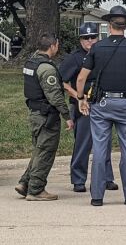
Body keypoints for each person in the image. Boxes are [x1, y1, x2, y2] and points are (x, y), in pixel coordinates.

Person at [75, 6, 126, 206]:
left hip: (101, 103)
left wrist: (81, 98)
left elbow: (81, 78)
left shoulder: (97, 48)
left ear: (109, 25)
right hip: (125, 103)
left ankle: (97, 196)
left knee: (99, 148)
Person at [60, 22, 117, 193]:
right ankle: (78, 179)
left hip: (102, 103)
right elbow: (61, 81)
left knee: (105, 143)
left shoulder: (103, 54)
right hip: (83, 105)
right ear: (80, 40)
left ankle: (106, 178)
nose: (90, 41)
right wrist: (78, 96)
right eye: (86, 38)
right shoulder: (75, 58)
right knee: (83, 143)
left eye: (93, 37)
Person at [16, 33, 74, 201]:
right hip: (46, 116)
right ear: (53, 46)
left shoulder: (31, 62)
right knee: (46, 152)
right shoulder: (47, 68)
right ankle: (36, 190)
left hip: (34, 113)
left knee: (38, 151)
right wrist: (66, 115)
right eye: (57, 45)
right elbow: (55, 96)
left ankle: (25, 183)